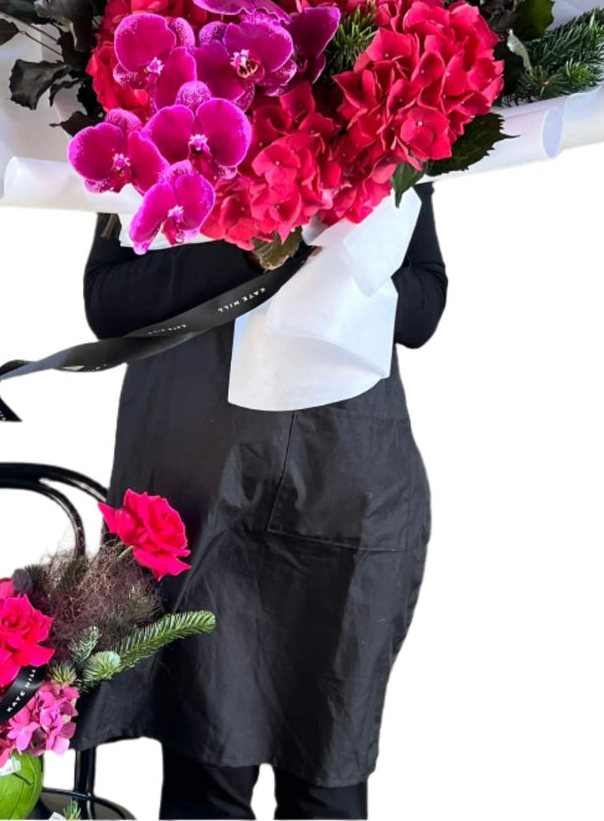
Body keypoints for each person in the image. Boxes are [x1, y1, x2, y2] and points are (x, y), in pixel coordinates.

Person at [74, 181, 447, 821]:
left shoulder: (381, 137)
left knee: (329, 771)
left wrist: (338, 247)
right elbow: (108, 302)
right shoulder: (156, 137)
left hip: (344, 485)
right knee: (206, 766)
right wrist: (253, 248)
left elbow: (423, 308)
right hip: (198, 483)